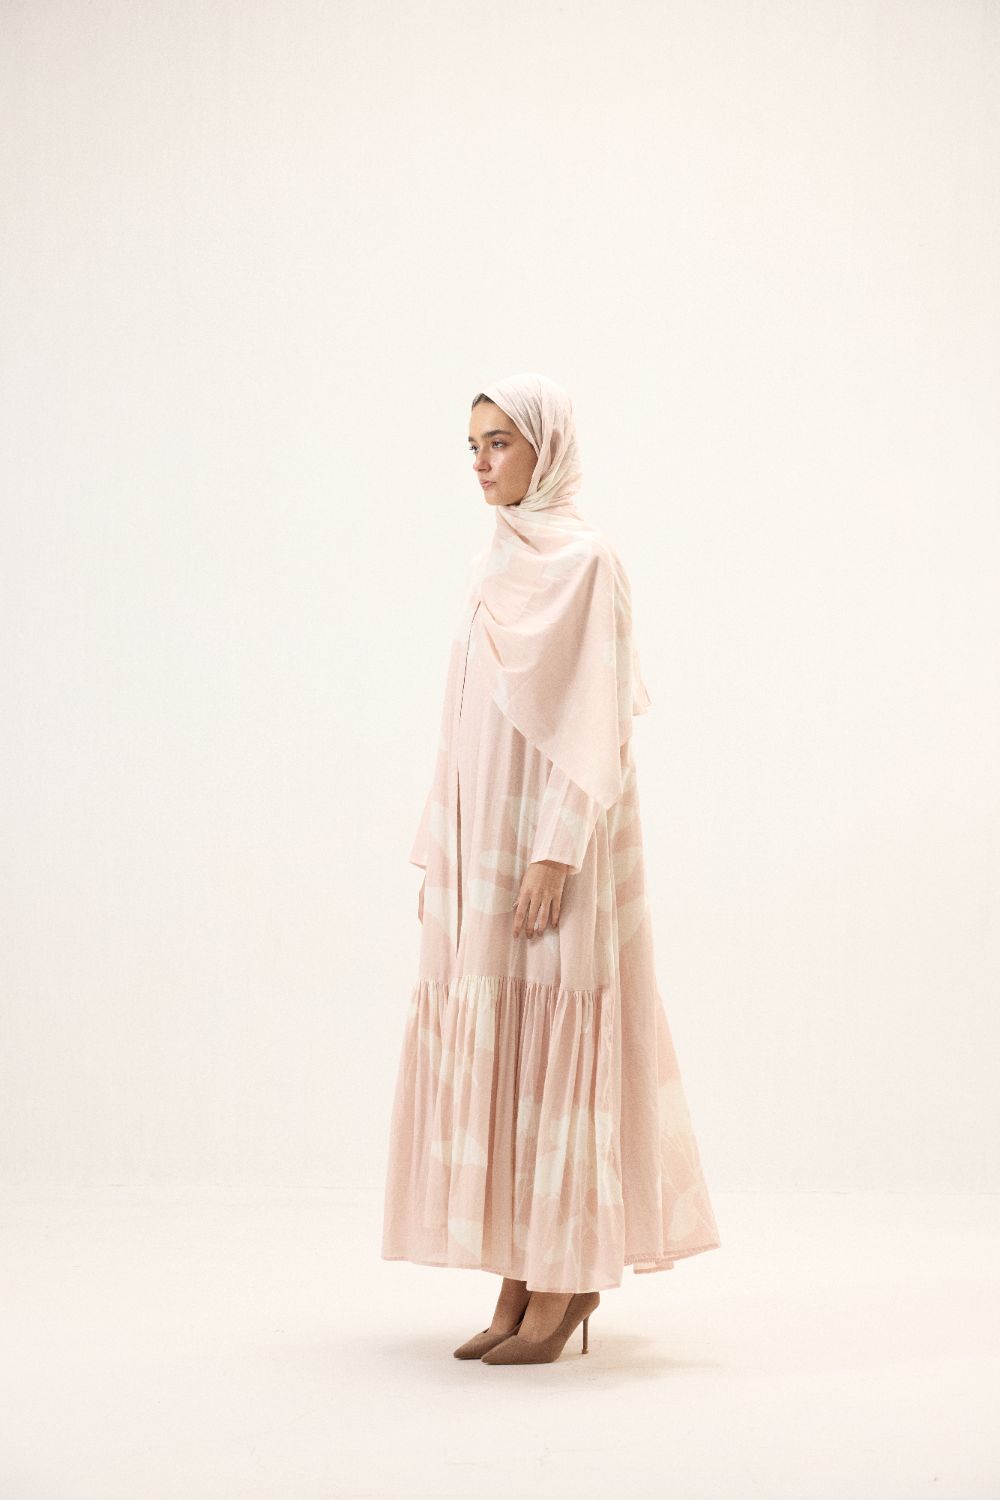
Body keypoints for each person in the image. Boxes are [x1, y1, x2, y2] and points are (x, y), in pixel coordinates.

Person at [381, 372, 721, 1365]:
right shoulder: (493, 563)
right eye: (472, 445)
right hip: (483, 835)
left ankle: (568, 1281)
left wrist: (555, 850)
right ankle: (520, 1273)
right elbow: (459, 721)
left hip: (549, 842)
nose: (481, 463)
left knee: (560, 1026)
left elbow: (596, 715)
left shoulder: (588, 561)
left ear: (547, 447)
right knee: (506, 1045)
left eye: (500, 443)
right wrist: (440, 849)